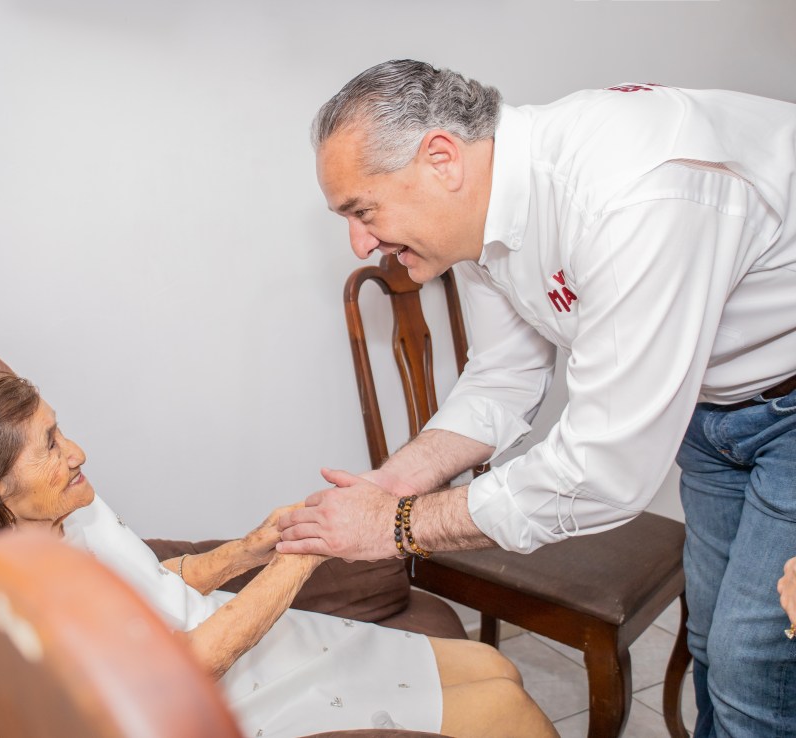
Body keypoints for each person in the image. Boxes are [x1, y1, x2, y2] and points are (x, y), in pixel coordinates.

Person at [278, 59, 796, 737]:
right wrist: (391, 483)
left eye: (362, 209)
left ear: (441, 158)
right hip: (714, 413)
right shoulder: (484, 210)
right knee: (711, 640)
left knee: (751, 665)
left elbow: (602, 473)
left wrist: (396, 526)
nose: (359, 242)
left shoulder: (636, 191)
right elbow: (503, 376)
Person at [0, 371, 557, 738]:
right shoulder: (23, 600)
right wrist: (304, 556)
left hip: (252, 641)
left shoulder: (76, 505)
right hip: (217, 698)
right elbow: (190, 664)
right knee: (507, 716)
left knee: (493, 665)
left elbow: (160, 579)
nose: (78, 453)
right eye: (51, 444)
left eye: (60, 430)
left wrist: (253, 546)